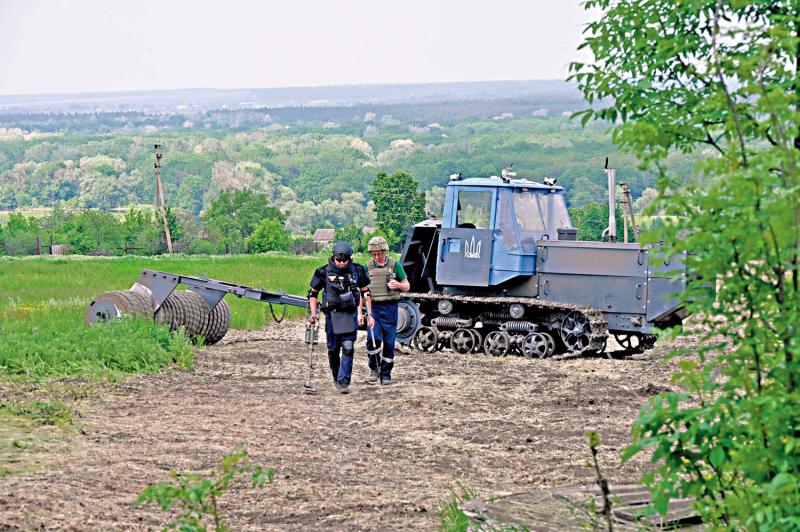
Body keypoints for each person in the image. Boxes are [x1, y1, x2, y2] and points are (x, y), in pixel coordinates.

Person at [308, 242, 372, 394]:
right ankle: (336, 376)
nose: (342, 263)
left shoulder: (357, 270)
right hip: (332, 316)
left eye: (345, 261)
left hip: (350, 315)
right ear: (334, 257)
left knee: (348, 347)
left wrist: (368, 313)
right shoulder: (323, 272)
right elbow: (313, 293)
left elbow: (366, 292)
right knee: (333, 349)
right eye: (339, 260)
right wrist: (313, 314)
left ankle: (344, 382)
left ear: (350, 259)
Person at [360, 236, 410, 385]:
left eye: (380, 253)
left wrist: (398, 285)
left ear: (385, 251)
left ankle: (386, 373)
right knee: (373, 339)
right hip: (373, 308)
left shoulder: (395, 265)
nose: (377, 256)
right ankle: (374, 370)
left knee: (389, 342)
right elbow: (361, 291)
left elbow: (407, 285)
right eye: (374, 254)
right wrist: (360, 312)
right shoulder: (366, 267)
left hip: (390, 308)